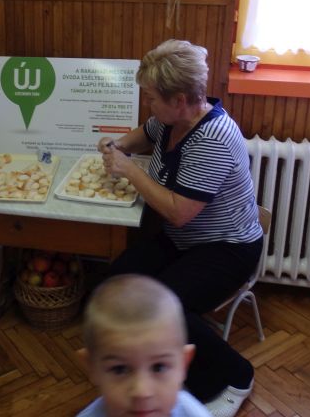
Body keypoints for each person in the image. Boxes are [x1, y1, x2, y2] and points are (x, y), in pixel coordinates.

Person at [97, 39, 263, 417]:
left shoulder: (214, 139)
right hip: (185, 240)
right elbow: (147, 132)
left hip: (228, 247)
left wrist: (130, 170)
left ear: (181, 99)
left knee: (166, 308)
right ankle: (159, 360)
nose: (148, 105)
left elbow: (178, 213)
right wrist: (118, 147)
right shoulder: (172, 119)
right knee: (119, 282)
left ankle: (236, 376)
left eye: (152, 98)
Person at [77, 274, 210, 417]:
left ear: (183, 364)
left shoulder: (192, 412)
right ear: (92, 367)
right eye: (119, 369)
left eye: (158, 367)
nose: (142, 392)